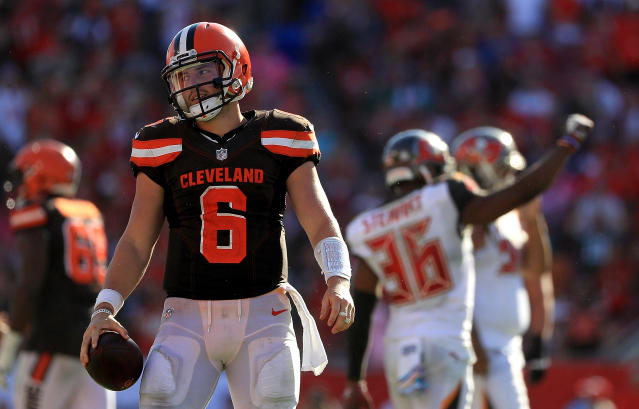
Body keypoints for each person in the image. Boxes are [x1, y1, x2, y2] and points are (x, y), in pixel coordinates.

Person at [79, 22, 354, 409]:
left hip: (265, 312)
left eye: (202, 71)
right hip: (186, 315)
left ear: (235, 67)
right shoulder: (160, 142)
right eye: (182, 76)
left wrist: (338, 279)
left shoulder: (282, 133)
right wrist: (105, 308)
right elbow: (138, 239)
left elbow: (318, 219)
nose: (191, 85)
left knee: (273, 398)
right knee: (159, 398)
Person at [342, 114, 593, 409]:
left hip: (401, 348)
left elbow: (362, 305)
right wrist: (567, 144)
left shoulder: (368, 224)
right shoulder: (446, 199)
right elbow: (523, 189)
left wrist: (354, 379)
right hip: (447, 343)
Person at [0, 140, 115, 409]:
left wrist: (8, 351)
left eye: (24, 175)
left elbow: (29, 286)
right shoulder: (89, 213)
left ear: (40, 174)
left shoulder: (38, 214)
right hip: (94, 343)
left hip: (49, 343)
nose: (20, 184)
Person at [451, 127, 554, 409]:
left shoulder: (510, 215)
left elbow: (537, 271)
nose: (510, 178)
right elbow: (453, 285)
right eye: (503, 169)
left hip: (506, 344)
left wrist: (533, 221)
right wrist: (473, 343)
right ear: (481, 170)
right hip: (476, 345)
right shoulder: (462, 218)